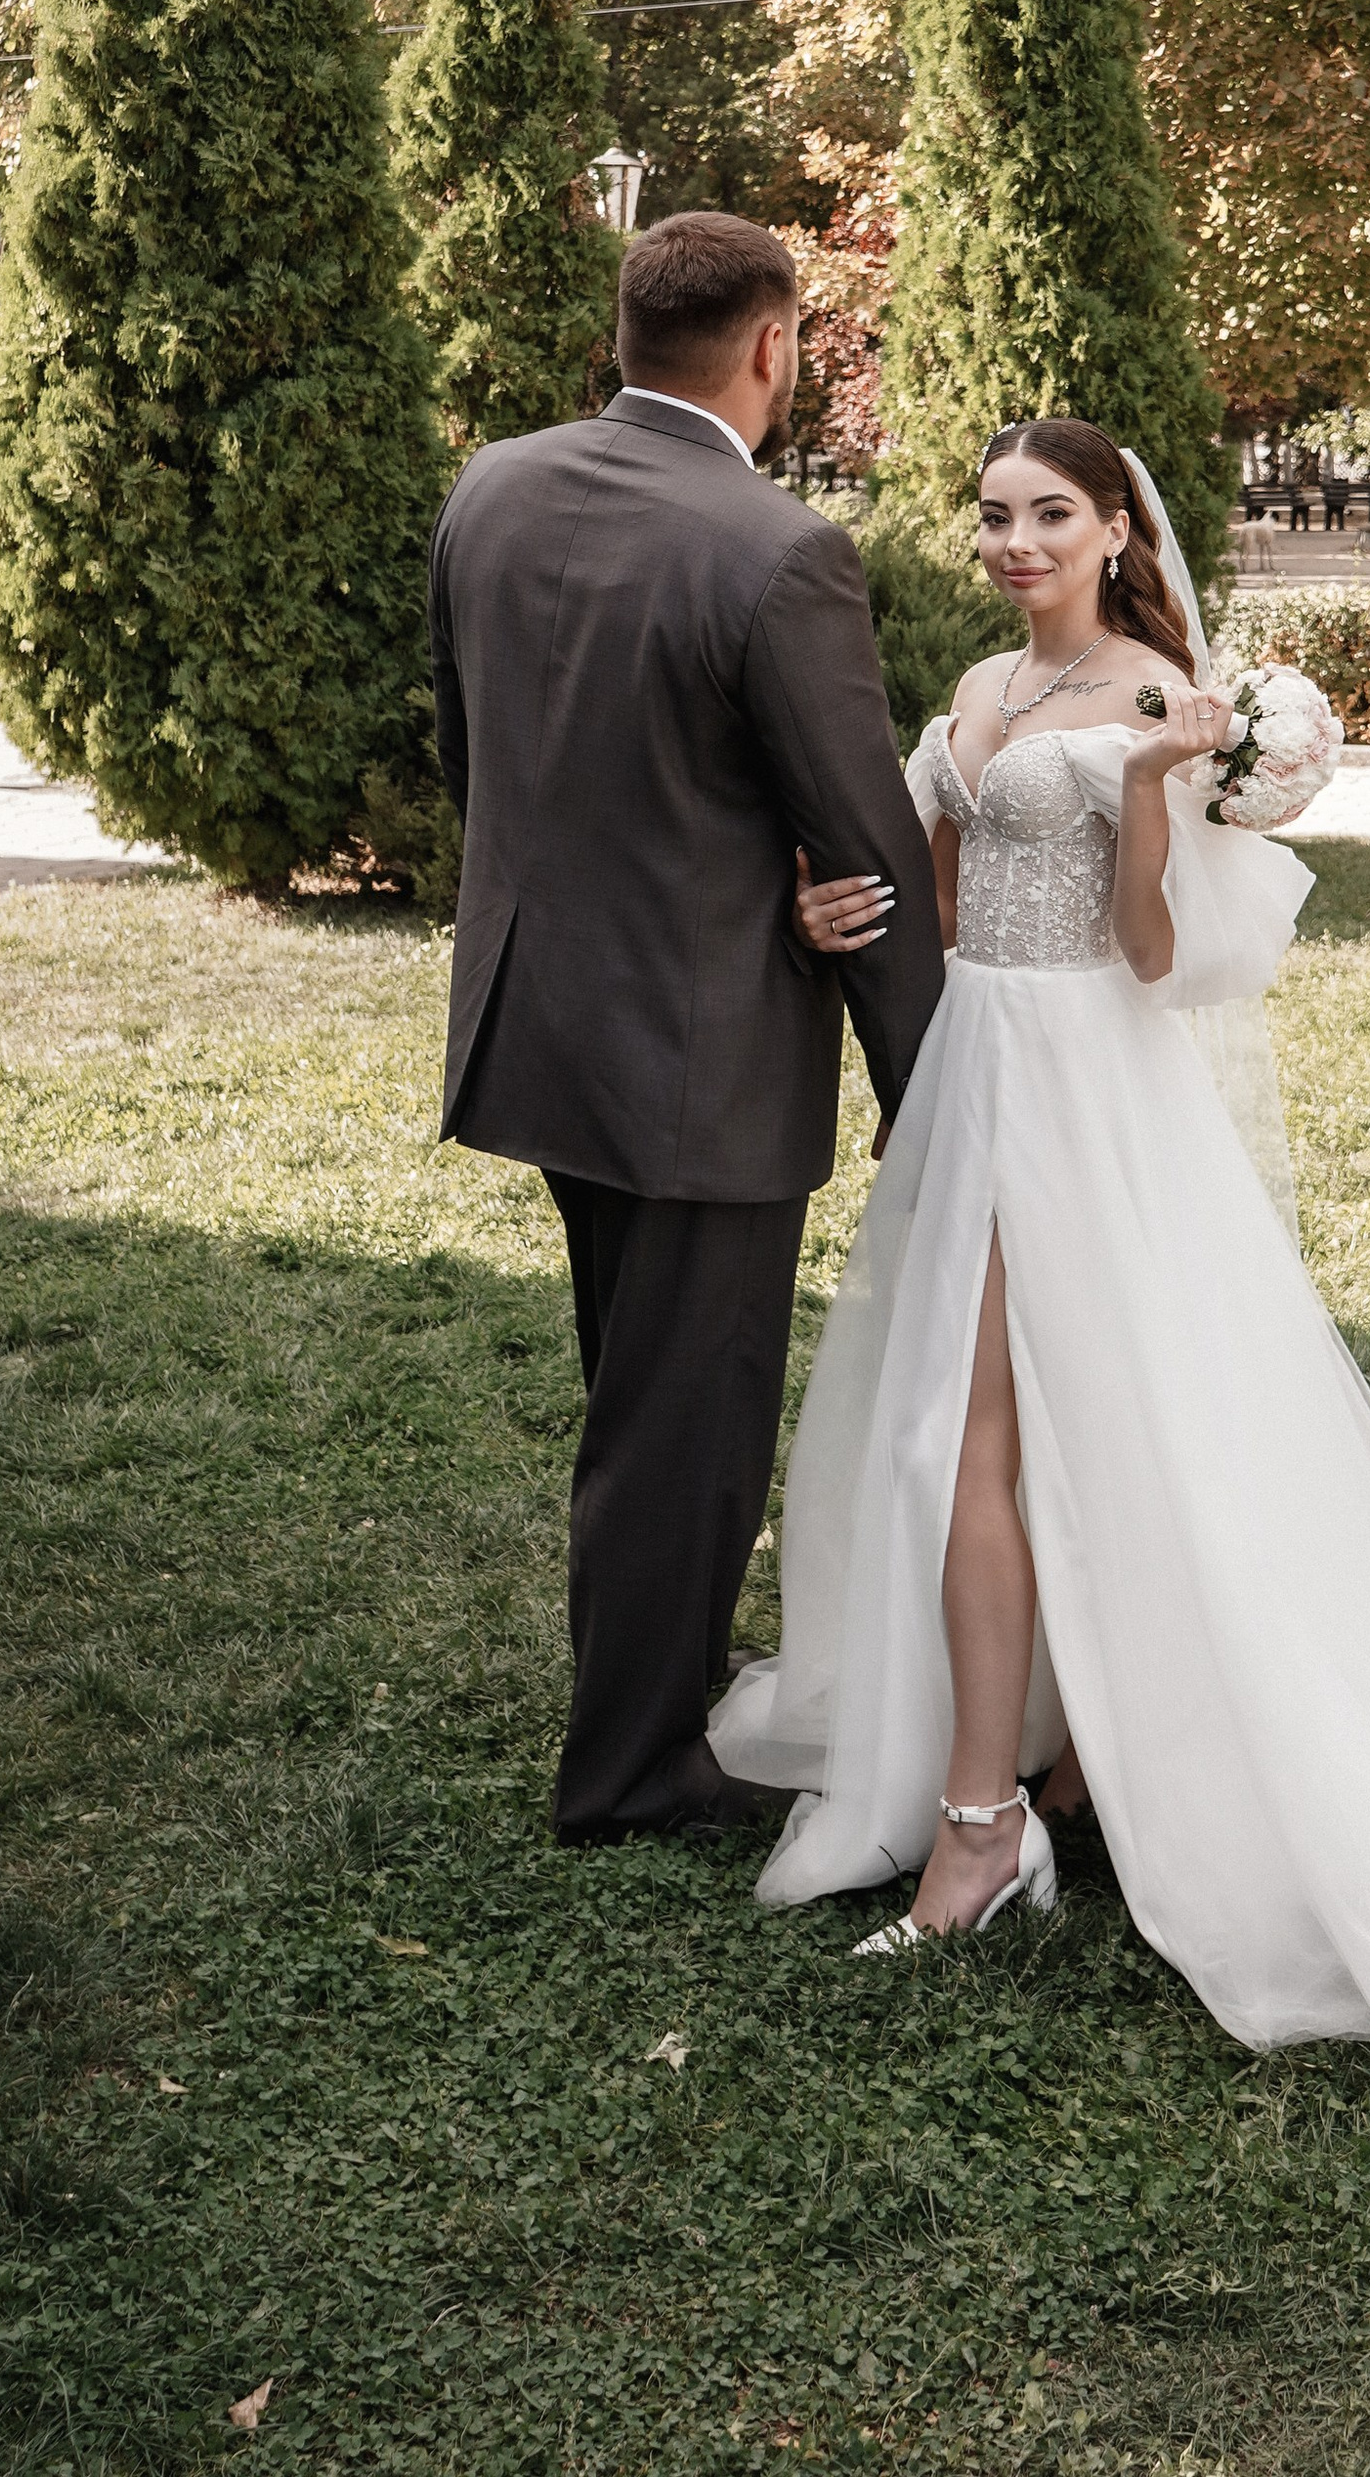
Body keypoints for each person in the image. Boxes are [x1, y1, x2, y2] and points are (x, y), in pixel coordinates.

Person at [717, 415, 1370, 2077]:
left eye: (1048, 515)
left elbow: (1154, 950)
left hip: (1090, 1091)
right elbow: (937, 911)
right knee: (971, 1433)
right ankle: (1029, 1773)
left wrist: (1151, 795)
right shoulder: (982, 694)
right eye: (994, 515)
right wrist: (821, 920)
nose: (1014, 542)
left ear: (1111, 529)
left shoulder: (1159, 697)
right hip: (977, 1083)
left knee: (1006, 1437)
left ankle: (987, 1825)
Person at [429, 211, 946, 1848]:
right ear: (774, 347)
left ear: (629, 332)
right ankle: (636, 1769)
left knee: (638, 1381)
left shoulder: (490, 487)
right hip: (699, 1053)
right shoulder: (780, 548)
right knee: (691, 1414)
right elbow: (864, 848)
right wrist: (935, 1088)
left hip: (542, 1021)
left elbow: (482, 761)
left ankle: (654, 1680)